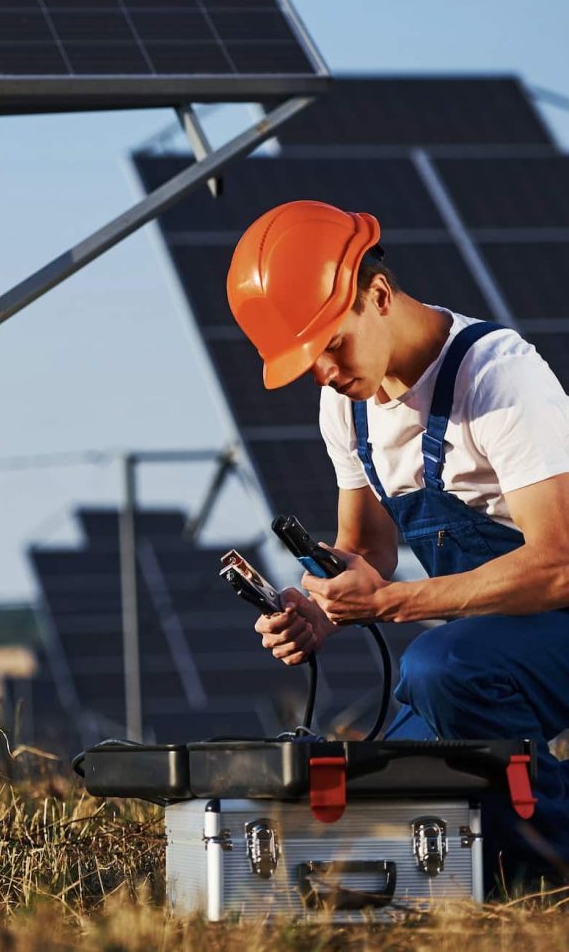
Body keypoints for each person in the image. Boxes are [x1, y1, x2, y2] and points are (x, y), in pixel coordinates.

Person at [226, 199, 569, 889]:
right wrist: (322, 608)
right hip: (487, 640)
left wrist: (397, 604)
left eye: (331, 344)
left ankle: (553, 855)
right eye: (307, 359)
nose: (322, 370)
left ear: (378, 295)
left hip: (546, 619)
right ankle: (515, 871)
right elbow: (366, 550)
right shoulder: (344, 406)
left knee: (440, 670)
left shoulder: (496, 377)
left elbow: (560, 563)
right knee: (384, 785)